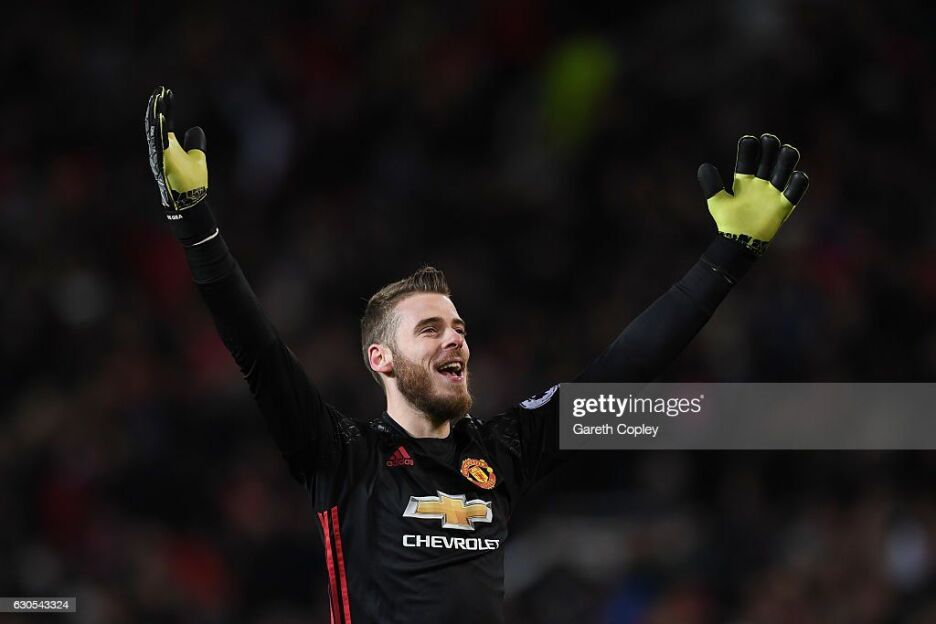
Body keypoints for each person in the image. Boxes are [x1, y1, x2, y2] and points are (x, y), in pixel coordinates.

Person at [144, 86, 809, 624]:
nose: (456, 338)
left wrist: (728, 256)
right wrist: (196, 224)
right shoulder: (343, 458)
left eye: (459, 327)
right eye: (430, 328)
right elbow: (258, 349)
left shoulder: (504, 452)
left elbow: (623, 371)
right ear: (380, 359)